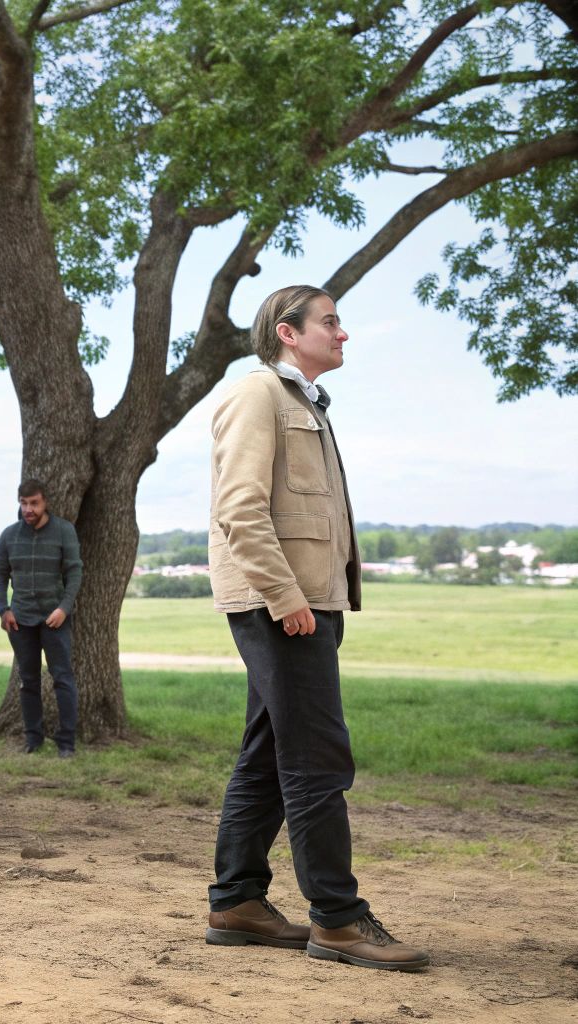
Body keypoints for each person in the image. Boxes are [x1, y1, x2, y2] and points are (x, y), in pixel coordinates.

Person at [205, 286, 428, 971]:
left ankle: (237, 903)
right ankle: (336, 919)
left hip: (304, 602)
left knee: (268, 756)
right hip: (283, 605)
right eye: (330, 322)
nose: (343, 333)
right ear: (287, 331)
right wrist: (285, 595)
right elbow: (239, 508)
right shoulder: (257, 395)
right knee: (317, 759)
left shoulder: (303, 403)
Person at [0, 479, 82, 757]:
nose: (28, 509)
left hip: (54, 619)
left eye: (34, 503)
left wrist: (63, 608)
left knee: (63, 679)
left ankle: (66, 743)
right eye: (24, 503)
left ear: (45, 503)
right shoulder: (9, 535)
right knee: (28, 680)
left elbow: (75, 572)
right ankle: (33, 738)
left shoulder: (64, 531)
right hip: (20, 621)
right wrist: (3, 609)